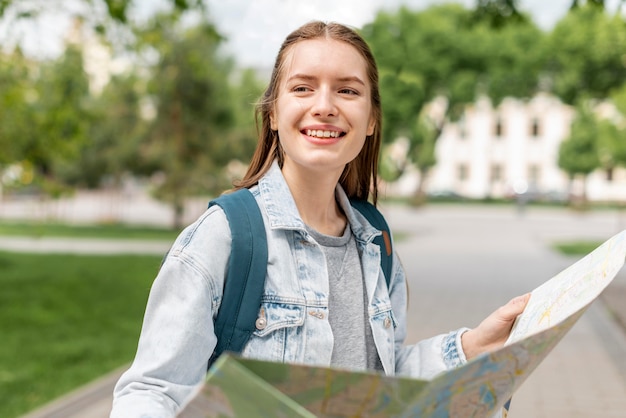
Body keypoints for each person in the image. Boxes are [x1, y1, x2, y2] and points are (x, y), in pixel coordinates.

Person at [110, 21, 530, 418]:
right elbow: (154, 391)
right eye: (303, 88)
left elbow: (382, 381)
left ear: (371, 120)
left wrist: (472, 347)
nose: (324, 106)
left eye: (347, 91)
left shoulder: (375, 241)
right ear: (273, 113)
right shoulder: (225, 235)